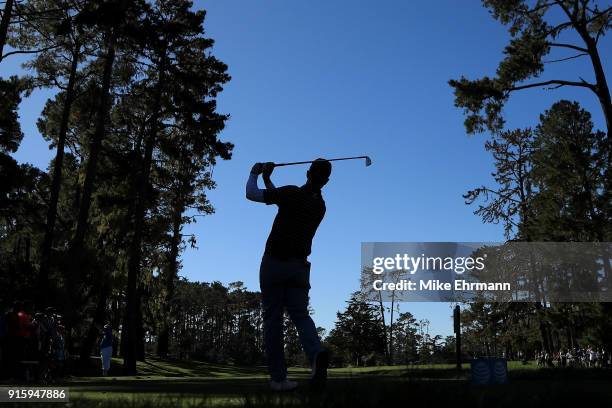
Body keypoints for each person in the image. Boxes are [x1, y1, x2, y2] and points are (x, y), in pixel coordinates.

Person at [246, 159, 331, 391]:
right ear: (326, 180)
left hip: (274, 263)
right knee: (301, 316)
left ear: (308, 173)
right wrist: (268, 179)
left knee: (273, 320)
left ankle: (279, 379)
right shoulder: (320, 207)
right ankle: (316, 355)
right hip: (300, 268)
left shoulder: (292, 193)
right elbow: (280, 200)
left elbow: (252, 195)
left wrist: (255, 173)